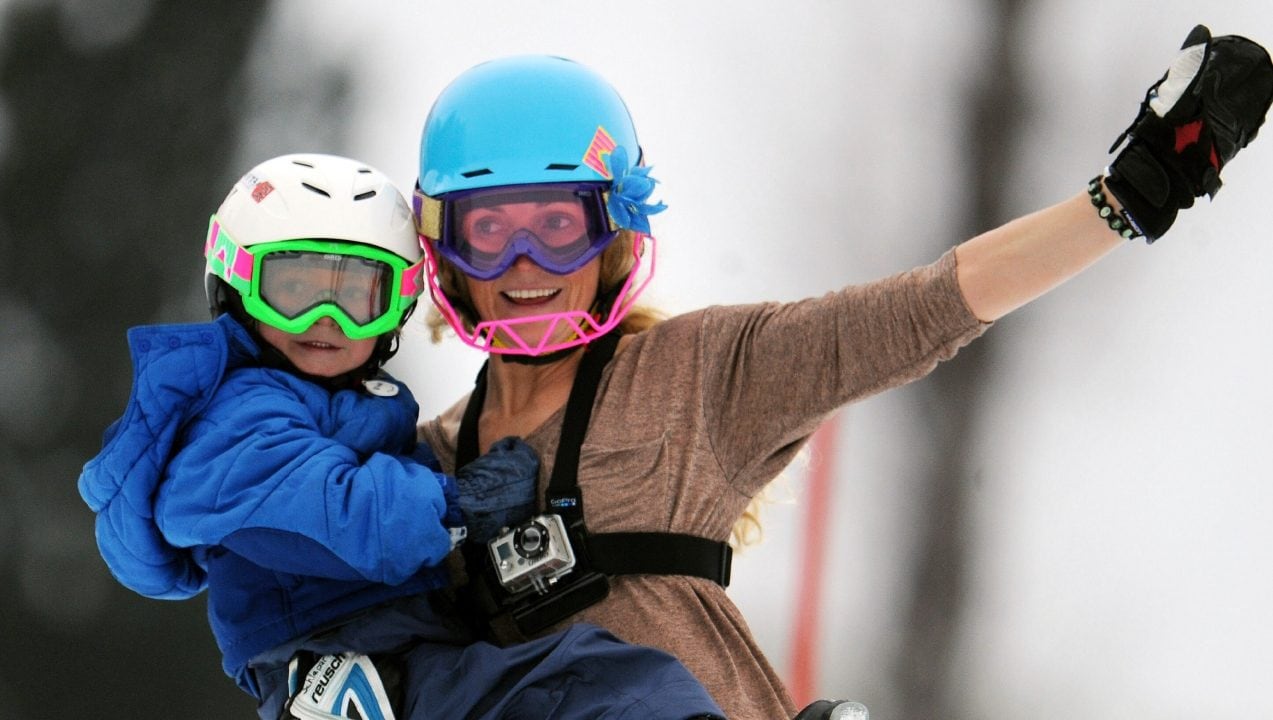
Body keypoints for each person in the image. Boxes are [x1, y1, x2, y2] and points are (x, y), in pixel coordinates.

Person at [411, 28, 1273, 720]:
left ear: (614, 232)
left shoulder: (697, 375)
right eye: (491, 229)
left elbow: (922, 307)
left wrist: (1123, 199)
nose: (525, 261)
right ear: (445, 248)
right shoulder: (415, 466)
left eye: (557, 224)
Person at [78, 153, 726, 720]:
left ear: (397, 307)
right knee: (579, 681)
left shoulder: (327, 402)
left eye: (357, 294)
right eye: (294, 288)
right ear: (236, 282)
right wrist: (455, 506)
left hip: (394, 652)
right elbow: (328, 508)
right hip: (348, 667)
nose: (325, 320)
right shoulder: (232, 416)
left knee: (564, 676)